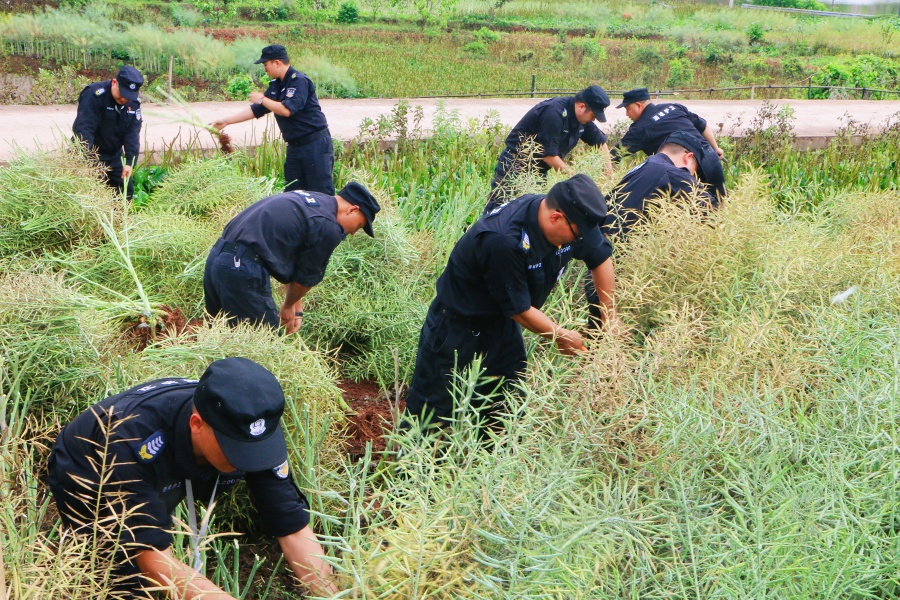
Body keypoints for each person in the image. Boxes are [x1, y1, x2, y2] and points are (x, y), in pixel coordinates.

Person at [47, 357, 339, 598]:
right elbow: (147, 553)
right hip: (89, 470)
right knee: (122, 578)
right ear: (197, 424)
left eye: (254, 450)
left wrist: (328, 593)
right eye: (234, 450)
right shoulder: (127, 441)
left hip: (175, 463)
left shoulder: (249, 426)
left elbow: (291, 524)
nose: (246, 461)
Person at [404, 174, 619, 436]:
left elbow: (601, 259)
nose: (578, 241)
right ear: (556, 218)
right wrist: (561, 336)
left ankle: (486, 469)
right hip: (456, 331)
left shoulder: (573, 221)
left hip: (502, 327)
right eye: (576, 235)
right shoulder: (504, 238)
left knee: (505, 408)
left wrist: (609, 318)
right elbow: (520, 310)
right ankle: (411, 471)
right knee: (431, 415)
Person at [203, 182, 380, 333]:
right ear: (352, 209)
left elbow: (297, 266)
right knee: (263, 343)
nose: (353, 233)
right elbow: (305, 280)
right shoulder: (328, 225)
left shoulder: (310, 201)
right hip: (241, 269)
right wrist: (288, 307)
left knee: (221, 334)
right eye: (359, 225)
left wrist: (296, 304)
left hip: (218, 259)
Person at [583, 132, 718, 328]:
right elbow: (712, 211)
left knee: (597, 338)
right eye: (694, 171)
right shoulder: (671, 173)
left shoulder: (645, 167)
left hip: (599, 269)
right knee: (613, 343)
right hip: (619, 278)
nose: (692, 177)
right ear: (689, 157)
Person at [211, 44, 335, 194]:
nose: (264, 68)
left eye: (266, 64)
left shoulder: (299, 81)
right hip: (295, 146)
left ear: (277, 62)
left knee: (320, 192)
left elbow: (287, 110)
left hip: (315, 144)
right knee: (293, 194)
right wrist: (226, 121)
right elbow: (257, 109)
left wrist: (262, 99)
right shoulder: (276, 85)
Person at [486, 86, 614, 213]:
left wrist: (608, 170)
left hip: (538, 171)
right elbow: (549, 156)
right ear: (581, 106)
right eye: (593, 115)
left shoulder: (582, 119)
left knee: (529, 212)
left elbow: (600, 142)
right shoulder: (554, 112)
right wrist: (577, 181)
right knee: (500, 208)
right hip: (515, 165)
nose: (593, 119)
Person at [610, 88, 727, 199]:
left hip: (687, 170)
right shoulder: (674, 107)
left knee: (693, 212)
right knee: (719, 204)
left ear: (638, 105)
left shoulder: (640, 128)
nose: (627, 114)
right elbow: (703, 125)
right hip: (711, 158)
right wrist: (716, 148)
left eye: (627, 109)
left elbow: (614, 154)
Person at [72, 65, 144, 199]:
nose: (124, 99)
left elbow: (132, 132)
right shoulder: (94, 95)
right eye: (122, 94)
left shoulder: (133, 103)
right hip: (90, 153)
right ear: (114, 82)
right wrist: (83, 161)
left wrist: (129, 162)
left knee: (126, 191)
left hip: (113, 155)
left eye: (128, 97)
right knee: (88, 194)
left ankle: (120, 219)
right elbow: (84, 129)